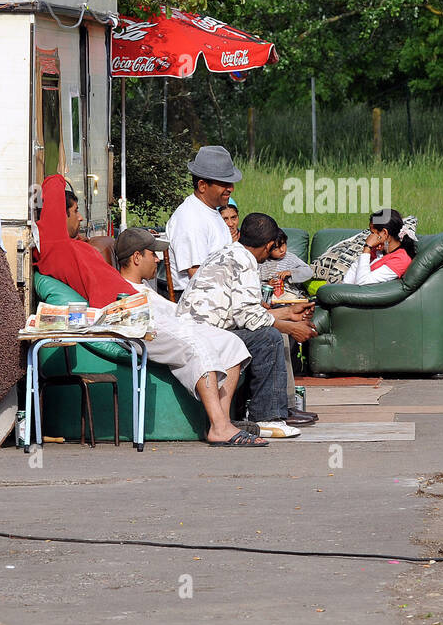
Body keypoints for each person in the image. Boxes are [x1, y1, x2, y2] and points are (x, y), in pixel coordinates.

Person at [113, 229, 264, 447]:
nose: (157, 259)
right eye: (152, 253)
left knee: (232, 344)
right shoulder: (124, 289)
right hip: (152, 331)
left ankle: (221, 423)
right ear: (137, 257)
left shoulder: (146, 285)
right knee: (198, 347)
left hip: (179, 325)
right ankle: (220, 427)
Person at [177, 212, 319, 437]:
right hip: (204, 335)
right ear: (270, 245)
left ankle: (260, 412)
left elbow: (243, 310)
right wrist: (291, 327)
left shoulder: (229, 252)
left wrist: (289, 313)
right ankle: (266, 418)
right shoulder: (245, 261)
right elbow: (249, 318)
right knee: (269, 339)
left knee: (268, 332)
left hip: (198, 330)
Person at [35, 175, 136, 306]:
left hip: (129, 300)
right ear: (60, 214)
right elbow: (53, 184)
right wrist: (60, 175)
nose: (81, 217)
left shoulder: (69, 245)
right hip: (120, 307)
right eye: (75, 211)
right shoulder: (55, 245)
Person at [164, 145, 238, 301]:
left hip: (220, 294)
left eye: (230, 183)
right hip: (198, 301)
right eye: (224, 184)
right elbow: (199, 278)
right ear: (202, 185)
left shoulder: (211, 211)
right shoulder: (190, 219)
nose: (231, 189)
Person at [342, 208, 416, 285]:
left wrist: (367, 248)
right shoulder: (379, 251)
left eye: (372, 233)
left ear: (384, 233)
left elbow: (362, 283)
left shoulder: (400, 260)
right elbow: (349, 279)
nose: (370, 237)